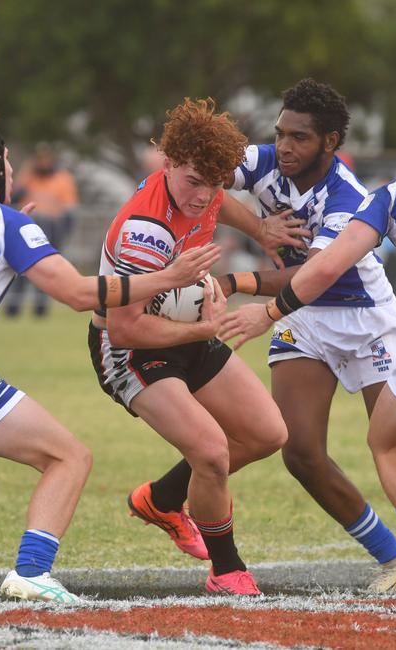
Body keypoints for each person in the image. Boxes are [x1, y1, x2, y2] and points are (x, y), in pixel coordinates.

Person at [0, 118, 221, 602]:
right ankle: (32, 572)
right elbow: (77, 294)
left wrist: (13, 229)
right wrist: (168, 276)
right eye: (8, 160)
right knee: (70, 456)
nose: (13, 167)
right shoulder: (4, 222)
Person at [219, 81, 396, 605]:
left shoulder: (393, 192)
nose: (284, 145)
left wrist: (264, 310)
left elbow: (327, 265)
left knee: (389, 443)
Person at [89, 98, 289, 595]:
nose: (204, 198)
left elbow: (220, 203)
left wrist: (262, 229)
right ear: (169, 164)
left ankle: (162, 498)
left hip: (186, 326)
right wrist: (202, 331)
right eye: (194, 182)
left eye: (215, 183)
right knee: (212, 450)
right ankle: (227, 570)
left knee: (266, 433)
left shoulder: (205, 191)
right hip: (129, 350)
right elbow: (124, 330)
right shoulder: (145, 233)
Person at [5, 143, 80, 317]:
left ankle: (40, 311)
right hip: (27, 230)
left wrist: (63, 234)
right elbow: (15, 196)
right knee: (20, 271)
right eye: (39, 159)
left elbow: (70, 208)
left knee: (46, 273)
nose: (43, 162)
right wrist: (27, 171)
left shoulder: (62, 178)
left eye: (46, 158)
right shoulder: (30, 176)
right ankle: (13, 309)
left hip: (52, 230)